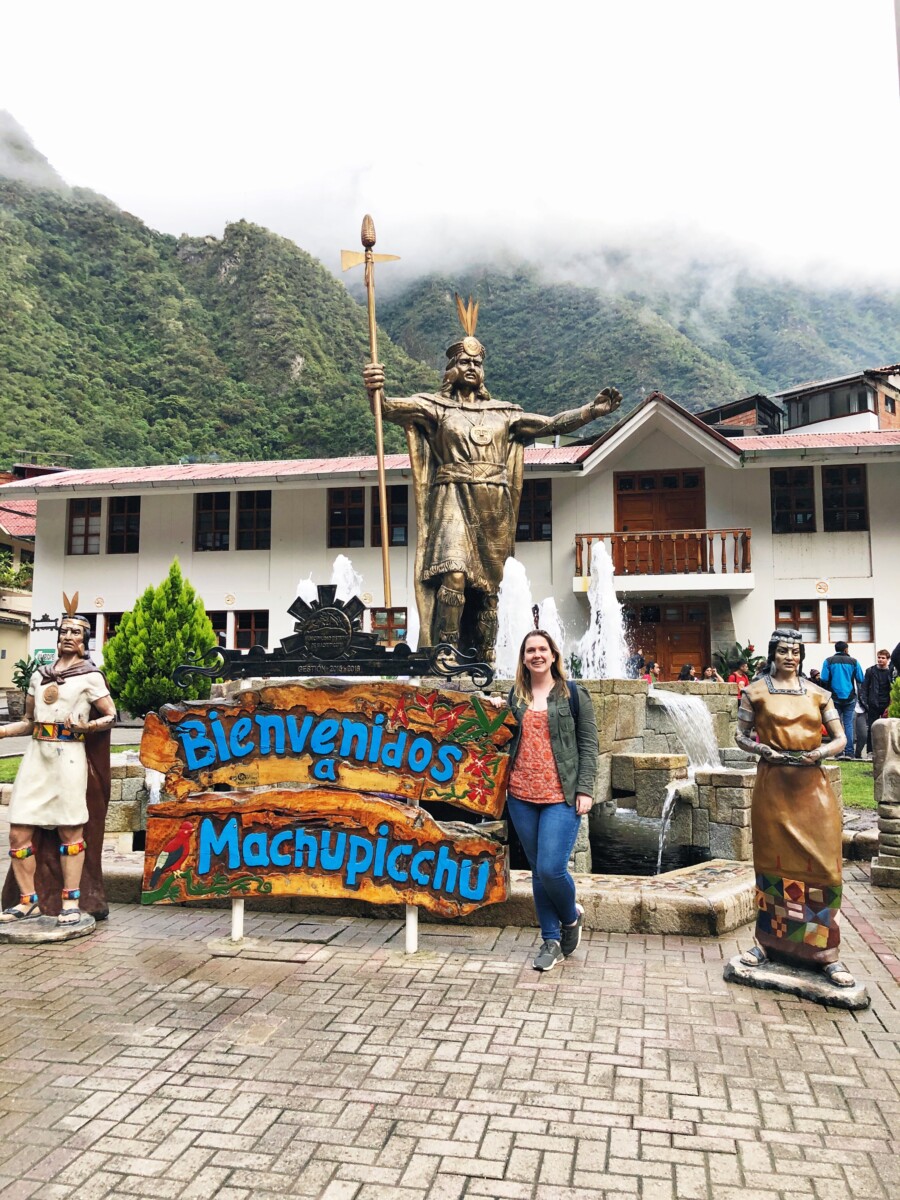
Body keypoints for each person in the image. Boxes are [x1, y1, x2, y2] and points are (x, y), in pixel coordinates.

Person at [363, 301, 622, 662]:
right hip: (452, 495)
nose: (471, 368)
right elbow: (388, 409)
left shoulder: (504, 412)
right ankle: (446, 652)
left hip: (494, 507)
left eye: (476, 363)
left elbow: (550, 425)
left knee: (490, 590)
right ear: (451, 369)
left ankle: (485, 655)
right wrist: (375, 389)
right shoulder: (435, 407)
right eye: (463, 362)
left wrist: (590, 412)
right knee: (453, 575)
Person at [735, 628, 854, 987]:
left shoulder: (819, 694)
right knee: (773, 867)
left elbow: (841, 738)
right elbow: (739, 736)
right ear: (772, 653)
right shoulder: (753, 692)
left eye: (796, 651)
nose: (790, 656)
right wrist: (761, 750)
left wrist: (820, 752)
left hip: (812, 787)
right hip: (773, 786)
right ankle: (767, 945)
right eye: (784, 650)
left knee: (824, 870)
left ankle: (825, 952)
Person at [0, 602, 116, 926]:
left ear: (85, 640)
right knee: (19, 831)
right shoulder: (39, 675)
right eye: (64, 631)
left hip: (69, 756)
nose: (68, 636)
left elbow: (111, 714)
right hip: (37, 756)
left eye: (75, 632)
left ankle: (70, 900)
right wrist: (3, 731)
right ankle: (26, 900)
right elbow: (26, 721)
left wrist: (88, 726)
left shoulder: (90, 676)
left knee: (70, 828)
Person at [495, 630, 598, 971]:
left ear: (553, 655)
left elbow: (589, 745)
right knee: (538, 871)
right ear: (523, 658)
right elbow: (502, 733)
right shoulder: (517, 696)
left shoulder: (573, 695)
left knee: (552, 868)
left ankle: (570, 918)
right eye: (530, 650)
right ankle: (550, 940)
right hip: (521, 795)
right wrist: (496, 709)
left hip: (561, 795)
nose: (536, 655)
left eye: (542, 649)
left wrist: (585, 789)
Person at [819, 641, 865, 759]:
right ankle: (849, 752)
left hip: (834, 698)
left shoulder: (828, 661)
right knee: (848, 724)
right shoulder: (854, 661)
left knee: (836, 725)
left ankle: (838, 751)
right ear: (846, 650)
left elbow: (824, 678)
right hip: (850, 697)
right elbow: (860, 678)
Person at [860, 649, 893, 756]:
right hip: (873, 704)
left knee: (886, 729)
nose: (880, 660)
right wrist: (866, 703)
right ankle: (870, 751)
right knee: (871, 728)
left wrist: (890, 705)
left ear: (888, 659)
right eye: (879, 657)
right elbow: (864, 688)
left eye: (883, 658)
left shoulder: (891, 672)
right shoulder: (870, 671)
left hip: (887, 704)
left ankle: (885, 751)